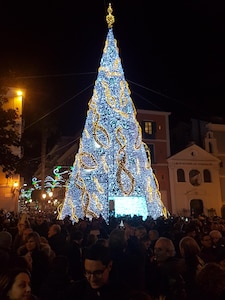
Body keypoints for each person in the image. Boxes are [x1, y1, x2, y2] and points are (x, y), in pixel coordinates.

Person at [65, 243, 132, 300]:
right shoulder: (76, 291)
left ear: (109, 266)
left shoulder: (123, 294)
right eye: (88, 273)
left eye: (98, 273)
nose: (92, 279)